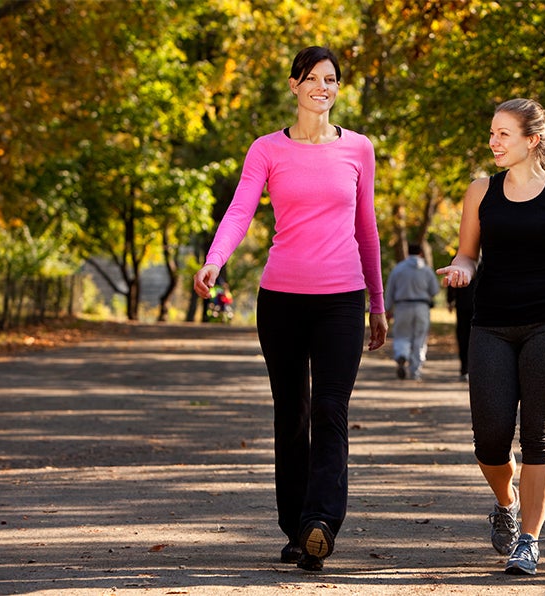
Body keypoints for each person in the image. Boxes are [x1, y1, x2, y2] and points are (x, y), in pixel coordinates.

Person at [192, 46, 387, 573]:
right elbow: (239, 210)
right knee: (292, 412)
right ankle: (295, 526)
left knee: (330, 410)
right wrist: (215, 262)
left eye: (332, 79)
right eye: (314, 78)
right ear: (294, 84)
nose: (324, 87)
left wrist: (377, 301)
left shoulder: (359, 149)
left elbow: (365, 229)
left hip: (342, 301)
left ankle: (320, 522)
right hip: (280, 300)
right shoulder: (266, 150)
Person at [437, 98, 545, 576]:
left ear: (532, 140)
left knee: (539, 436)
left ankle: (529, 541)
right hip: (491, 324)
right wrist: (460, 269)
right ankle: (506, 499)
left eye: (503, 134)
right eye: (492, 133)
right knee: (490, 440)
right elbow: (468, 254)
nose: (493, 142)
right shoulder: (480, 192)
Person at [384, 242, 441, 380]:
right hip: (422, 306)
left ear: (407, 252)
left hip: (402, 306)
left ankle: (401, 355)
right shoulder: (426, 270)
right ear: (421, 253)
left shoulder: (398, 269)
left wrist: (387, 310)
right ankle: (415, 370)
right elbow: (435, 290)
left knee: (402, 335)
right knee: (419, 339)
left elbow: (390, 291)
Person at [445, 278, 475, 379]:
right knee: (473, 336)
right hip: (476, 304)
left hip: (463, 303)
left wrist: (450, 300)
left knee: (463, 335)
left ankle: (465, 368)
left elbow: (451, 282)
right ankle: (469, 367)